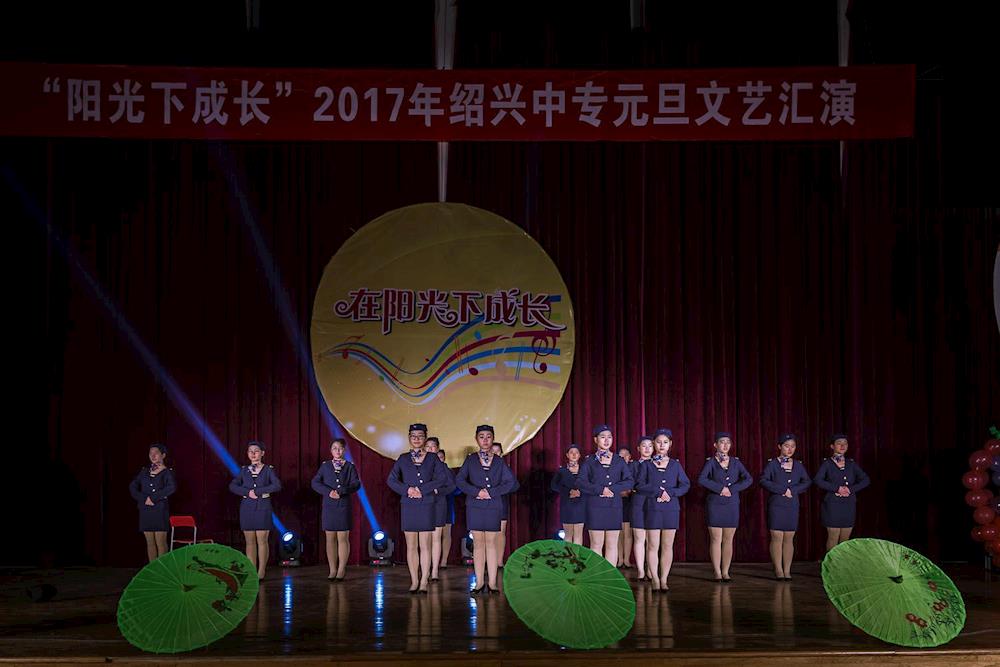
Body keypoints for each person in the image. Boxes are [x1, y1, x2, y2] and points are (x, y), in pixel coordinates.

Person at [387, 423, 448, 593]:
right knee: (411, 546)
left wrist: (422, 489)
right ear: (409, 438)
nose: (417, 439)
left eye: (420, 436)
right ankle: (414, 581)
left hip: (427, 504)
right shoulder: (403, 458)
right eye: (413, 436)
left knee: (425, 545)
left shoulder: (433, 458)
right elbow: (391, 480)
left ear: (425, 438)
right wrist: (407, 490)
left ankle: (423, 582)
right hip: (409, 505)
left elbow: (441, 478)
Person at [456, 425, 516, 594]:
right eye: (481, 436)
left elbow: (510, 482)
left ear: (493, 438)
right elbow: (460, 480)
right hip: (475, 506)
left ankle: (493, 584)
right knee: (478, 544)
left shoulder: (499, 461)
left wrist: (491, 492)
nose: (485, 440)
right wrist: (476, 492)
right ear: (476, 439)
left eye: (488, 436)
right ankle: (479, 583)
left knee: (491, 543)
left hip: (493, 506)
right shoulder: (470, 460)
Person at [635, 428, 689, 591]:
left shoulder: (675, 465)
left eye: (665, 442)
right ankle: (655, 579)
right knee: (653, 545)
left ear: (670, 444)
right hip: (652, 508)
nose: (662, 445)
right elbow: (639, 485)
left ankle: (664, 579)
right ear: (654, 444)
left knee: (667, 546)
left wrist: (670, 493)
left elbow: (685, 485)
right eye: (658, 442)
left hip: (671, 509)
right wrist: (658, 492)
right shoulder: (646, 465)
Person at [697, 431, 753, 582]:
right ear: (715, 445)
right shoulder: (711, 462)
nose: (725, 445)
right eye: (722, 442)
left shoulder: (736, 462)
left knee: (728, 540)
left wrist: (732, 489)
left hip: (731, 504)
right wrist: (720, 488)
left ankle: (726, 571)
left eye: (728, 442)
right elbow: (702, 479)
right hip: (715, 504)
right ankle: (717, 572)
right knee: (716, 539)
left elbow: (748, 479)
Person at [759, 434, 812, 580]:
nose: (790, 449)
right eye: (787, 446)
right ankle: (778, 570)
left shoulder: (798, 465)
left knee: (789, 538)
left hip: (792, 505)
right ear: (779, 447)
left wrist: (793, 490)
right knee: (777, 537)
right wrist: (782, 490)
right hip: (777, 504)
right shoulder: (772, 464)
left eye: (793, 446)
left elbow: (807, 481)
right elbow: (763, 480)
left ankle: (787, 570)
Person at [579, 425, 633, 565]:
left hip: (614, 507)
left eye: (609, 437)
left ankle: (610, 576)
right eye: (603, 437)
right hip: (595, 507)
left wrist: (613, 489)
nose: (607, 440)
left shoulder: (619, 460)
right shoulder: (589, 461)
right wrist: (600, 490)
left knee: (612, 544)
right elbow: (581, 482)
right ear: (596, 440)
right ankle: (598, 575)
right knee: (596, 544)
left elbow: (629, 481)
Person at [229, 440, 282, 579]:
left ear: (262, 453)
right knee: (250, 541)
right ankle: (252, 570)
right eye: (250, 451)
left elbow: (276, 485)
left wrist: (257, 492)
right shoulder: (244, 470)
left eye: (256, 451)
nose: (253, 454)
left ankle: (261, 570)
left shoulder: (268, 469)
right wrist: (247, 492)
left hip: (263, 507)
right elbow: (233, 486)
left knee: (262, 540)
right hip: (247, 508)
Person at [311, 438, 361, 581]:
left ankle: (341, 569)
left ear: (344, 450)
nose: (337, 451)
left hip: (343, 505)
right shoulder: (325, 466)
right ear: (331, 450)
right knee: (330, 538)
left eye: (340, 448)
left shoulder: (349, 466)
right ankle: (332, 569)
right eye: (334, 448)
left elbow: (356, 484)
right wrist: (328, 492)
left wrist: (342, 491)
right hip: (329, 506)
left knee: (342, 538)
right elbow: (315, 482)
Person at [813, 434, 870, 551]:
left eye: (845, 443)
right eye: (839, 443)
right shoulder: (827, 463)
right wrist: (837, 488)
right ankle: (831, 562)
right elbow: (817, 480)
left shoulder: (851, 463)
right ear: (832, 446)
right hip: (833, 504)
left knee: (845, 539)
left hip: (848, 504)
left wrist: (850, 489)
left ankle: (841, 563)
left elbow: (866, 480)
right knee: (833, 537)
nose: (843, 446)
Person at [129, 443, 176, 562]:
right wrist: (144, 498)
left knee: (161, 542)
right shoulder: (144, 471)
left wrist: (153, 498)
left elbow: (171, 487)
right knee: (150, 543)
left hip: (160, 509)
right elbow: (132, 487)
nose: (153, 455)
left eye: (156, 453)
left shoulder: (167, 472)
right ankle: (153, 569)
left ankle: (163, 570)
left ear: (163, 455)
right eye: (151, 453)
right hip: (145, 509)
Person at [424, 436, 455, 581]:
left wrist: (438, 491)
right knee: (425, 539)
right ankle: (425, 569)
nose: (430, 449)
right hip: (422, 505)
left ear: (437, 449)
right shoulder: (418, 465)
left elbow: (452, 486)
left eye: (433, 446)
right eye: (428, 446)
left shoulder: (443, 467)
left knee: (436, 538)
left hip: (438, 504)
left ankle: (435, 570)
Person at [550, 444, 586, 544]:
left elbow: (590, 485)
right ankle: (568, 554)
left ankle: (577, 554)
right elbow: (554, 485)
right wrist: (568, 491)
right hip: (567, 505)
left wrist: (581, 492)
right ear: (567, 455)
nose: (574, 455)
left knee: (578, 534)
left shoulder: (584, 470)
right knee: (568, 534)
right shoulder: (562, 471)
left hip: (580, 504)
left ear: (579, 455)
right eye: (571, 452)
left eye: (576, 453)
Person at [490, 442, 518, 567]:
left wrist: (500, 490)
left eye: (497, 451)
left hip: (501, 503)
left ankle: (499, 561)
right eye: (492, 451)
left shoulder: (505, 468)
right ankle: (488, 561)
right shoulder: (481, 467)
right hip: (485, 505)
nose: (495, 453)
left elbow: (515, 485)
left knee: (500, 533)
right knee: (488, 535)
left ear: (501, 454)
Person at [630, 436, 653, 580]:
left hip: (653, 503)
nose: (647, 448)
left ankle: (651, 570)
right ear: (638, 448)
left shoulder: (658, 464)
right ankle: (640, 571)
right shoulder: (633, 465)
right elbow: (629, 482)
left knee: (652, 540)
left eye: (650, 446)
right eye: (644, 445)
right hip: (638, 502)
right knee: (639, 538)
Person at [617, 446, 634, 568]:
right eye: (621, 455)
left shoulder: (633, 469)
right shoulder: (614, 470)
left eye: (626, 455)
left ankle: (627, 560)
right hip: (616, 503)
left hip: (630, 502)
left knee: (627, 533)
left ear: (630, 457)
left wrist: (630, 491)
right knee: (618, 533)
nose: (623, 457)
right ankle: (619, 559)